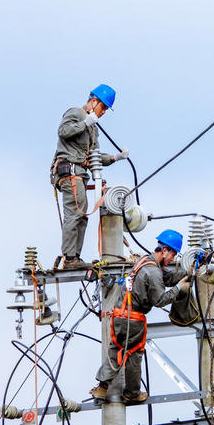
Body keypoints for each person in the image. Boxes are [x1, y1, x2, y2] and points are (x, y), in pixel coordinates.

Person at [90, 229, 191, 403]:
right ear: (165, 250)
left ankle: (102, 387)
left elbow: (165, 278)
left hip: (119, 316)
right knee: (134, 354)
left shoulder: (145, 261)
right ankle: (132, 394)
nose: (173, 260)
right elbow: (159, 300)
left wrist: (187, 272)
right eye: (173, 254)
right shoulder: (153, 272)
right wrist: (178, 289)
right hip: (133, 320)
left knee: (116, 349)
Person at [50, 84, 129, 269]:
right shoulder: (77, 114)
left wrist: (114, 158)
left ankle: (74, 256)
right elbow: (63, 131)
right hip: (69, 172)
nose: (103, 113)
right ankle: (70, 258)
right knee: (75, 213)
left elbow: (93, 156)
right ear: (94, 101)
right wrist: (85, 122)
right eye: (102, 107)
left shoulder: (93, 129)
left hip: (80, 175)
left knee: (82, 216)